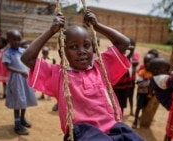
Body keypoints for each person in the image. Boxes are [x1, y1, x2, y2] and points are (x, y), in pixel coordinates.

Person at [21, 10, 143, 141]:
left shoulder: (101, 67)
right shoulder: (59, 75)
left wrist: (97, 26)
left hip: (113, 128)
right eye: (74, 47)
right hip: (83, 133)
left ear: (93, 47)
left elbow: (124, 43)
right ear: (63, 52)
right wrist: (51, 31)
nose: (82, 52)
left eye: (86, 45)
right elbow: (27, 59)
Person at [2, 29, 37, 135]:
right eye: (13, 40)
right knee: (18, 101)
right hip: (16, 80)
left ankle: (22, 118)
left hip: (25, 79)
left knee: (24, 99)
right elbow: (7, 67)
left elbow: (30, 60)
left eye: (18, 40)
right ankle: (17, 125)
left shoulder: (22, 51)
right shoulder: (7, 53)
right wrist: (20, 71)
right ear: (8, 40)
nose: (16, 42)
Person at [113, 38, 139, 116]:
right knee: (115, 104)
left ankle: (120, 118)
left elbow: (131, 61)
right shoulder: (116, 56)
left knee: (122, 105)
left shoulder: (129, 56)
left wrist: (131, 51)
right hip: (115, 86)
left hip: (125, 85)